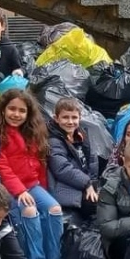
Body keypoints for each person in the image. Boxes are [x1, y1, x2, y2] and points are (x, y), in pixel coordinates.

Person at [0, 89, 76, 259]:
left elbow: (39, 164)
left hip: (32, 185)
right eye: (12, 109)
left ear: (28, 114)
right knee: (29, 211)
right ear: (2, 109)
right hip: (9, 188)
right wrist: (20, 191)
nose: (16, 114)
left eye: (22, 111)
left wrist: (43, 189)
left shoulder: (32, 132)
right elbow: (2, 167)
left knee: (54, 209)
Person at [47, 97, 99, 229]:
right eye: (65, 117)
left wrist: (93, 183)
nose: (70, 122)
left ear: (80, 118)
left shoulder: (81, 135)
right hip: (66, 187)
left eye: (74, 118)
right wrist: (87, 183)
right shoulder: (53, 140)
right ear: (56, 118)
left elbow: (92, 161)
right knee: (95, 206)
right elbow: (62, 169)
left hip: (84, 183)